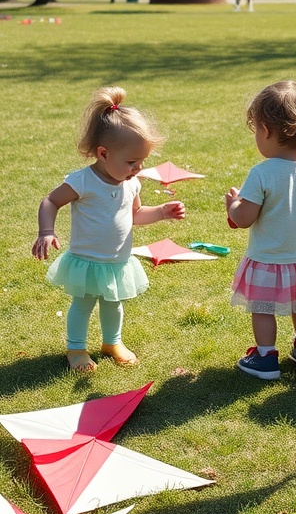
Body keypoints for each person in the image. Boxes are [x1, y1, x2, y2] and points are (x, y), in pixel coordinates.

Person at [32, 86, 185, 372]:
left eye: (142, 161)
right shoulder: (83, 181)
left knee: (114, 303)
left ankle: (112, 342)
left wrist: (162, 212)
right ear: (103, 153)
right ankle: (76, 348)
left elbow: (135, 215)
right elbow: (51, 200)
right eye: (131, 162)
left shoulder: (132, 182)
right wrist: (46, 231)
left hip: (117, 261)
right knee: (84, 303)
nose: (138, 168)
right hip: (88, 261)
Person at [225, 80, 296, 379]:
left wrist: (232, 204)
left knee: (262, 308)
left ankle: (265, 358)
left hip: (268, 258)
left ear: (268, 131)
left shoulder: (261, 173)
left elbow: (244, 218)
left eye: (257, 130)